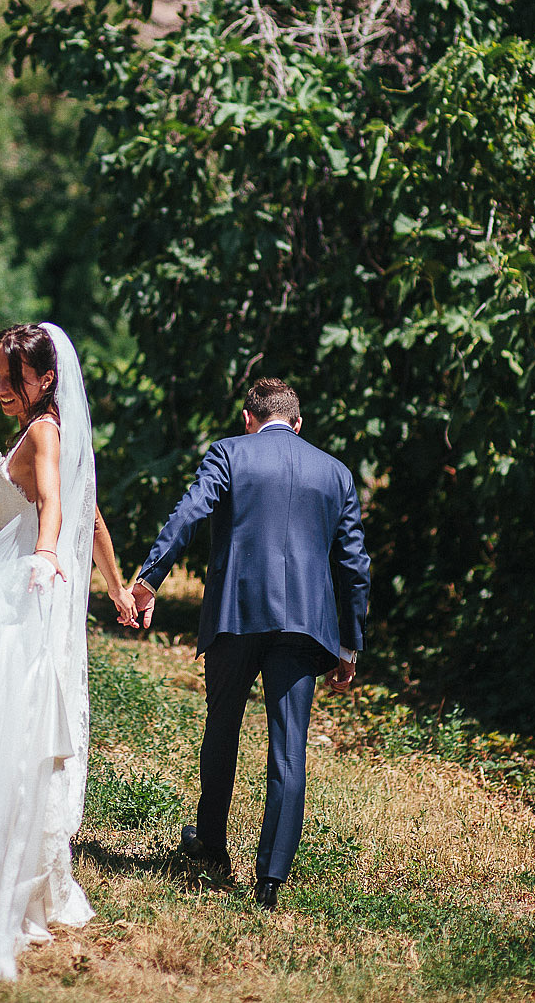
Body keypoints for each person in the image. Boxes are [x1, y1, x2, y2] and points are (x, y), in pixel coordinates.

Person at [0, 322, 137, 980]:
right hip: (5, 593)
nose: (0, 389)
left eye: (10, 379)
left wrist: (43, 555)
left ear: (44, 379)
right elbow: (90, 514)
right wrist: (117, 587)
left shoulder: (44, 432)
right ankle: (13, 870)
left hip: (17, 598)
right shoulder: (39, 430)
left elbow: (63, 514)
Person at [131, 377, 370, 912]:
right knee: (289, 749)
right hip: (307, 626)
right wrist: (349, 646)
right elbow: (354, 565)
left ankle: (212, 849)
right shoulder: (336, 473)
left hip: (237, 615)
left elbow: (189, 512)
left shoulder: (229, 454)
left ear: (248, 418)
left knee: (222, 728)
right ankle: (270, 881)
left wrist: (150, 578)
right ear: (299, 423)